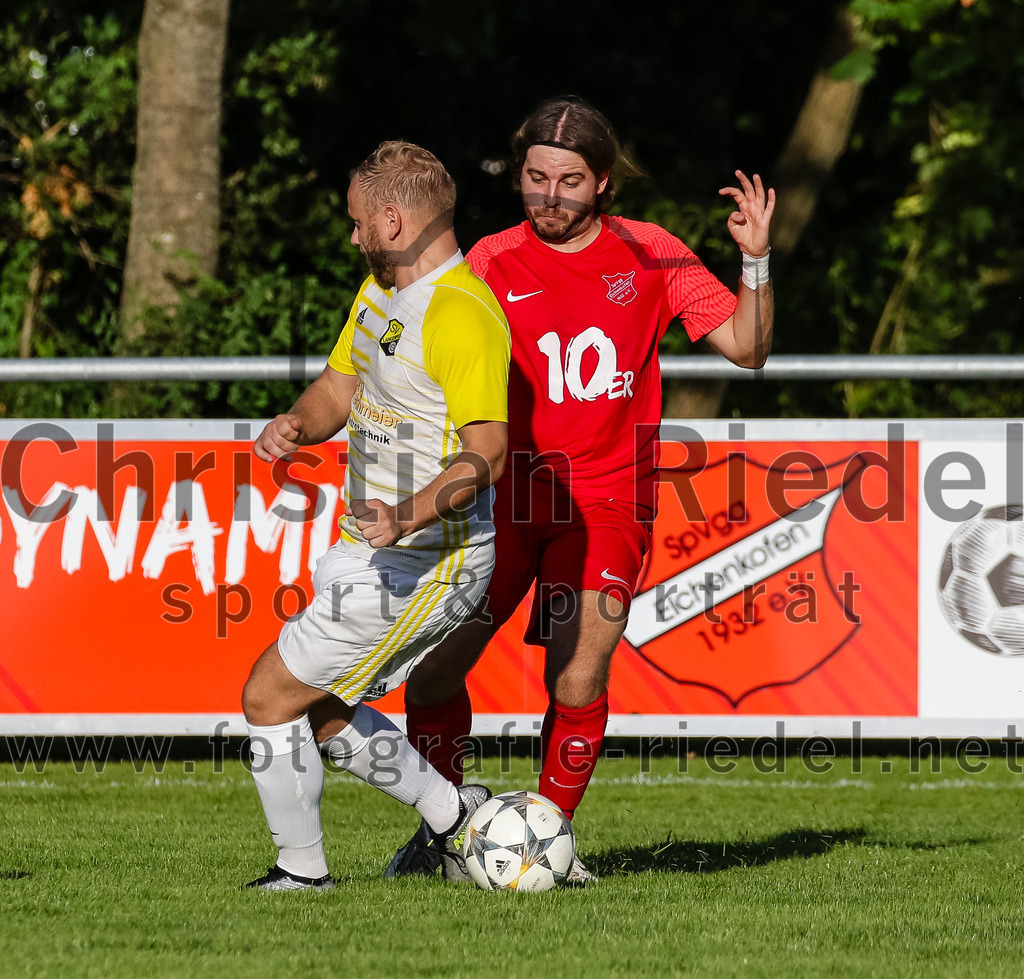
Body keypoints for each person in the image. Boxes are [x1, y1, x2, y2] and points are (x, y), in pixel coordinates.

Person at [381, 97, 775, 886]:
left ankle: (549, 844)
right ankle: (446, 831)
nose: (549, 196)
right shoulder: (488, 260)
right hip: (504, 502)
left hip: (606, 504)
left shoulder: (652, 252)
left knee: (578, 676)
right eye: (536, 178)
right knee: (431, 675)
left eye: (568, 181)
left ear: (601, 182)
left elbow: (748, 347)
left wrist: (756, 262)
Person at [240, 140, 511, 890]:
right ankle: (456, 820)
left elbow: (489, 451)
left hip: (432, 558)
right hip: (369, 547)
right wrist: (297, 423)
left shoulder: (462, 313)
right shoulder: (377, 294)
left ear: (392, 221)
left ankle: (302, 873)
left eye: (360, 221)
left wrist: (409, 515)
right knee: (323, 710)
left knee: (269, 695)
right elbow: (339, 386)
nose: (353, 235)